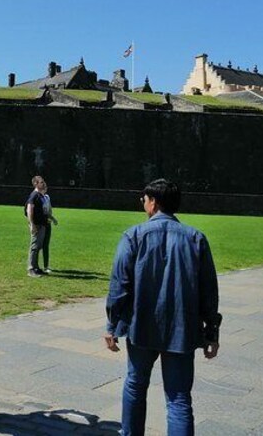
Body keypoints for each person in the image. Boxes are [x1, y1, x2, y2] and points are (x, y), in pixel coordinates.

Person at [104, 179, 221, 436]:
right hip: (182, 328)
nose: (142, 202)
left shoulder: (133, 235)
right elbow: (208, 291)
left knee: (135, 385)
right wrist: (211, 331)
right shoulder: (196, 239)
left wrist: (112, 325)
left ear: (154, 202)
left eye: (144, 198)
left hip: (142, 325)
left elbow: (119, 285)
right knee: (179, 399)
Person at [26, 175, 57, 277]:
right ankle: (31, 269)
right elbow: (29, 209)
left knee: (38, 246)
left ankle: (36, 267)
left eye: (43, 182)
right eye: (41, 182)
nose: (43, 184)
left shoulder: (40, 196)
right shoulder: (34, 195)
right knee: (34, 247)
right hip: (37, 225)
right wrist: (32, 224)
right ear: (36, 184)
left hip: (42, 225)